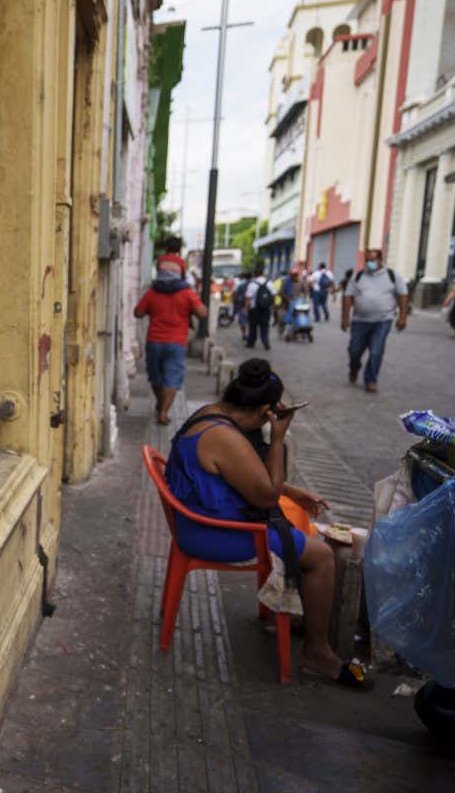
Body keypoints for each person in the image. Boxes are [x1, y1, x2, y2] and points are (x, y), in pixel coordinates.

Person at [165, 358, 367, 688]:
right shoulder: (225, 438)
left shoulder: (211, 413)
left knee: (297, 521)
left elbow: (239, 474)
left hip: (197, 520)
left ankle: (304, 612)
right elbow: (266, 498)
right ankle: (317, 652)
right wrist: (276, 439)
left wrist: (290, 489)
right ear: (264, 412)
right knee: (322, 556)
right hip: (214, 533)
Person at [134, 247, 207, 425]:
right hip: (176, 342)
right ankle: (164, 412)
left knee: (155, 376)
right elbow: (202, 313)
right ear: (181, 273)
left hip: (154, 341)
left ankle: (160, 404)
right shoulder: (187, 292)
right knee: (172, 377)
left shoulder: (153, 292)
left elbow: (138, 312)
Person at [341, 248, 409, 393]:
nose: (369, 263)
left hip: (383, 320)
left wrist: (403, 317)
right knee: (354, 351)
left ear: (380, 260)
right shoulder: (358, 276)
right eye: (367, 260)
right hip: (360, 321)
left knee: (376, 351)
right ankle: (354, 368)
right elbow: (348, 297)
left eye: (372, 260)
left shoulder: (392, 275)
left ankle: (371, 380)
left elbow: (402, 295)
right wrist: (345, 318)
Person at [244, 270, 276, 350]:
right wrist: (272, 306)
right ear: (263, 274)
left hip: (254, 309)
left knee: (253, 326)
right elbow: (273, 295)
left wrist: (246, 308)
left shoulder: (252, 284)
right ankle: (265, 341)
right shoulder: (269, 283)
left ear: (255, 274)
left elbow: (248, 298)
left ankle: (251, 342)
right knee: (265, 326)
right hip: (266, 308)